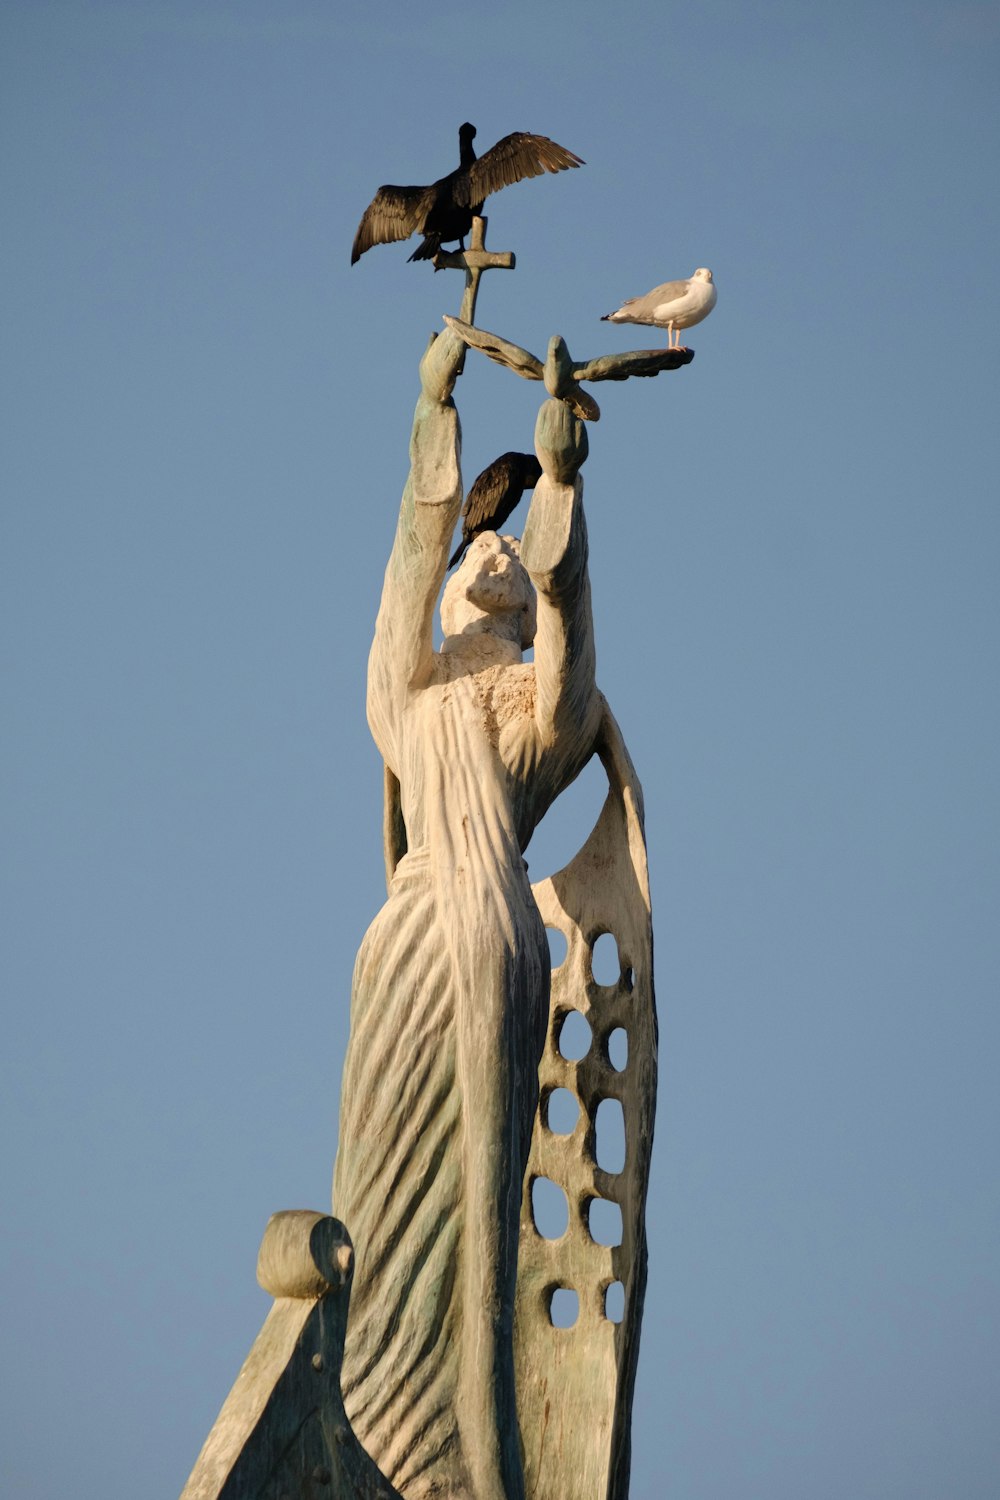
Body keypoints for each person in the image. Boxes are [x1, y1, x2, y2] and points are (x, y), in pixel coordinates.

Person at [333, 327, 602, 1500]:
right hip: (400, 945)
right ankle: (366, 1406)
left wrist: (560, 483)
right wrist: (430, 421)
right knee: (377, 1183)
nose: (485, 548)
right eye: (474, 544)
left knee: (479, 1205)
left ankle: (464, 1445)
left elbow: (572, 661)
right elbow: (402, 578)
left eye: (503, 547)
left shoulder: (529, 712)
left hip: (492, 937)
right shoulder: (413, 696)